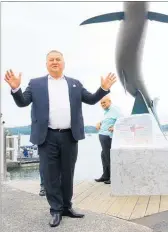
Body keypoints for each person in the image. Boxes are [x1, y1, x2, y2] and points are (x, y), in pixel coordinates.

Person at [4, 50, 117, 227]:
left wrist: (103, 89)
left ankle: (66, 206)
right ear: (46, 64)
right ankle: (55, 210)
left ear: (63, 63)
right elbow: (22, 102)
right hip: (46, 136)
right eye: (51, 60)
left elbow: (91, 99)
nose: (55, 62)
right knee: (50, 175)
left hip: (69, 136)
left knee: (67, 173)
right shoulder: (35, 84)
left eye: (58, 59)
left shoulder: (75, 84)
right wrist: (15, 89)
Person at [95, 95, 122, 184]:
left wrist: (115, 126)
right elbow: (107, 120)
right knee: (103, 155)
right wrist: (99, 122)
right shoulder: (106, 112)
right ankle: (105, 175)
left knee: (109, 156)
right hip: (103, 136)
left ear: (109, 101)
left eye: (104, 102)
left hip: (108, 136)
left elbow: (122, 119)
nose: (102, 104)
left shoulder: (114, 109)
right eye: (101, 103)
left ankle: (113, 177)